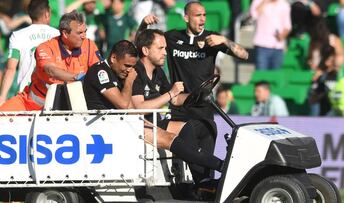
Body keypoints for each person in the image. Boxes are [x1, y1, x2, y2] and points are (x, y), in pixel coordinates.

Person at [83, 39, 224, 200]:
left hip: (123, 121)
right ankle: (221, 166)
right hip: (107, 125)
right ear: (113, 58)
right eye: (127, 66)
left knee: (192, 128)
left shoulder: (120, 71)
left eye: (131, 67)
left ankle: (203, 181)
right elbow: (123, 104)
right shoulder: (100, 72)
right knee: (167, 137)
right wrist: (129, 81)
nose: (129, 71)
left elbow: (130, 106)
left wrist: (197, 96)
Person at [137, 1, 248, 186]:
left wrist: (224, 40)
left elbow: (244, 55)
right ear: (186, 17)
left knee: (204, 165)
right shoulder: (171, 38)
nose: (202, 19)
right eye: (198, 15)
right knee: (183, 160)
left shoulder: (213, 39)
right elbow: (142, 46)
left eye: (204, 15)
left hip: (204, 108)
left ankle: (206, 188)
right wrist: (143, 25)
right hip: (179, 108)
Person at [0, 10, 102, 111]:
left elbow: (100, 72)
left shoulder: (89, 45)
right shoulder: (45, 47)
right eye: (79, 33)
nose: (84, 36)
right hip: (33, 104)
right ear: (65, 34)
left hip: (71, 107)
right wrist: (77, 77)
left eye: (85, 31)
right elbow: (50, 70)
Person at [0, 0, 60, 108]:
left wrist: (2, 99)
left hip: (26, 96)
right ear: (47, 13)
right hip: (52, 96)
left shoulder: (18, 35)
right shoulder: (58, 35)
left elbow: (10, 69)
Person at [250, 0, 292, 70]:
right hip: (262, 45)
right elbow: (254, 15)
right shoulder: (258, 1)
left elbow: (287, 26)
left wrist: (282, 36)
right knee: (261, 76)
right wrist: (265, 1)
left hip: (278, 47)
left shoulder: (284, 4)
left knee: (275, 76)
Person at [309, 44, 337, 116]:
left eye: (333, 59)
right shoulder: (319, 73)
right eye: (330, 59)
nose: (332, 61)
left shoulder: (335, 73)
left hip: (329, 102)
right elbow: (314, 88)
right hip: (317, 100)